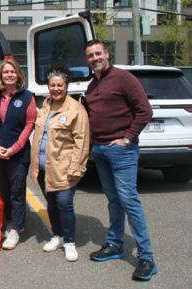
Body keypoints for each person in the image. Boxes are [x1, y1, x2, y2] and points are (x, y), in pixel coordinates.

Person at [83, 39, 157, 281]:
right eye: (90, 55)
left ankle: (146, 257)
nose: (95, 58)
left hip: (121, 150)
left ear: (106, 54)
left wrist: (127, 137)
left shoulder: (124, 78)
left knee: (128, 200)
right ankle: (115, 245)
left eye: (98, 53)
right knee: (114, 199)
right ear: (87, 60)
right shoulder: (91, 86)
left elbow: (145, 110)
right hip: (101, 151)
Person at [30, 63, 90, 262]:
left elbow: (82, 141)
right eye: (52, 85)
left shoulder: (76, 109)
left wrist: (76, 167)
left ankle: (70, 242)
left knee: (64, 203)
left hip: (63, 167)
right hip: (43, 167)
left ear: (66, 86)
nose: (56, 88)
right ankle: (57, 235)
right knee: (52, 203)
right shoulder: (46, 106)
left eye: (60, 85)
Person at [0, 59, 36, 250]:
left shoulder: (27, 97)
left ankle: (16, 229)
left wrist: (15, 148)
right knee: (3, 192)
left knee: (17, 192)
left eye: (13, 72)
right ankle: (8, 221)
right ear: (1, 75)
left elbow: (29, 124)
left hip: (18, 154)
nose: (9, 75)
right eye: (6, 72)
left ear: (18, 75)